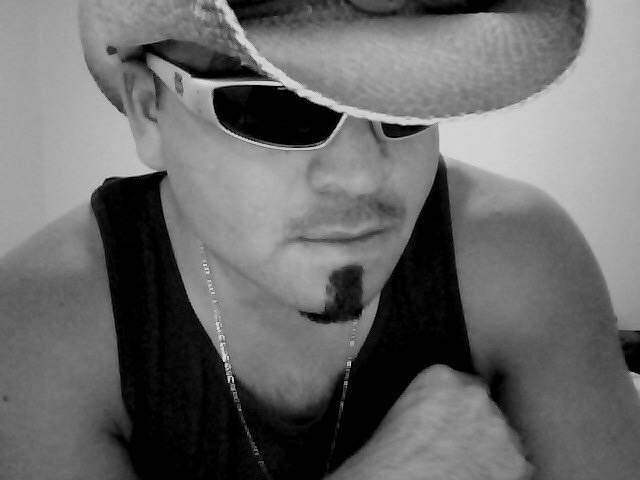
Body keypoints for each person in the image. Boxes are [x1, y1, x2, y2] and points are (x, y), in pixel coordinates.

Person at [2, 0, 640, 479]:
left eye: (405, 103)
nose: (361, 174)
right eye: (273, 106)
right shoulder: (42, 327)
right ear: (150, 110)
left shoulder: (522, 257)